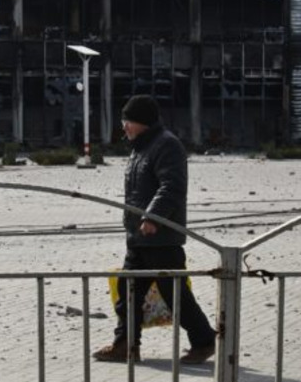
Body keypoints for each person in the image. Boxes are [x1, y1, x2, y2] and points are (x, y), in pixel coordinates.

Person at [92, 95, 217, 364]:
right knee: (128, 291)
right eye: (123, 121)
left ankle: (204, 341)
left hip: (161, 239)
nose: (123, 126)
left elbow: (171, 187)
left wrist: (152, 217)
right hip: (138, 239)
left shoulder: (167, 145)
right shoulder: (139, 147)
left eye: (128, 121)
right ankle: (126, 345)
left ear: (143, 122)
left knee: (175, 295)